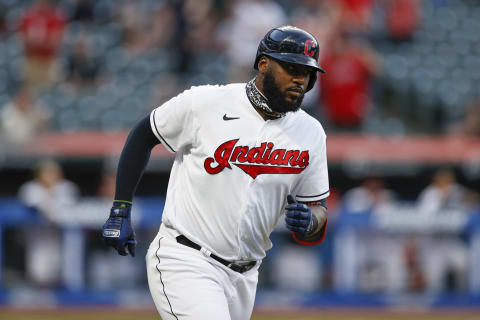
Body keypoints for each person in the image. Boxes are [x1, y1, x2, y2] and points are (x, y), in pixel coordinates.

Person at [102, 26, 330, 320]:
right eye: (291, 68)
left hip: (246, 276)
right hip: (186, 258)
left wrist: (311, 220)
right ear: (263, 63)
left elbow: (319, 213)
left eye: (308, 72)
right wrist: (121, 207)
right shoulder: (206, 103)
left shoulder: (310, 133)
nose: (301, 79)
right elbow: (143, 135)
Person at [18, 160, 79, 288]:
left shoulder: (67, 187)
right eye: (46, 172)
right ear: (38, 174)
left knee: (62, 272)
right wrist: (49, 201)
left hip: (60, 237)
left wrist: (51, 203)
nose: (50, 175)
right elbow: (39, 207)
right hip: (37, 238)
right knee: (38, 273)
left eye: (53, 172)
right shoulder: (30, 188)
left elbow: (66, 207)